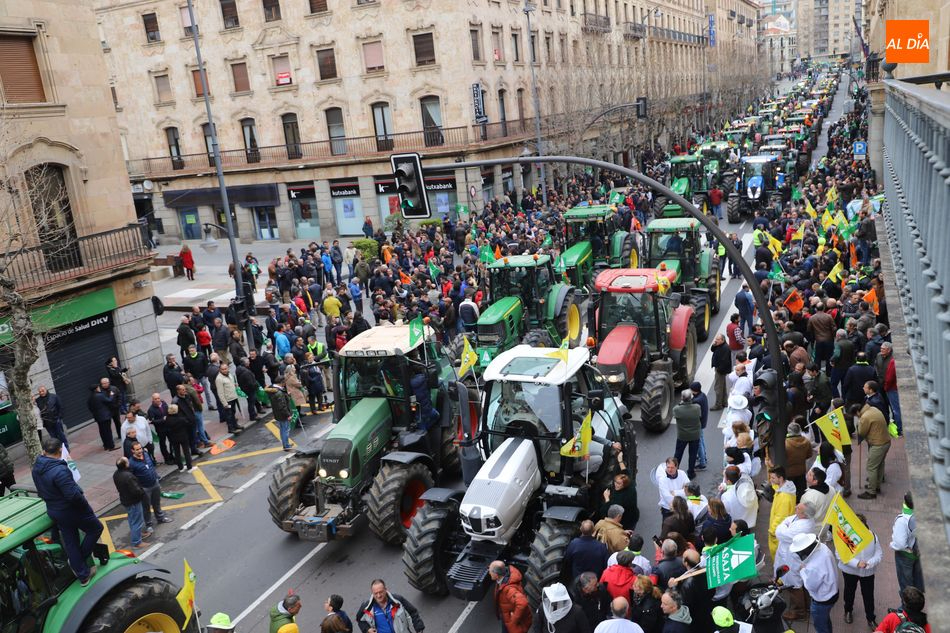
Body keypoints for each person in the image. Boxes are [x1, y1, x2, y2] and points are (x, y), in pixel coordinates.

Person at [31, 437, 103, 585]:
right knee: (96, 528)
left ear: (44, 451)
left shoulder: (37, 467)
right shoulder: (59, 470)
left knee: (71, 541)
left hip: (54, 510)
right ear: (59, 451)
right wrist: (85, 505)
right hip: (71, 510)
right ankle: (78, 562)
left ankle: (83, 575)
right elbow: (73, 496)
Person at [838, 512, 881, 627]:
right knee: (849, 592)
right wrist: (857, 564)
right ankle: (848, 611)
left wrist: (870, 563)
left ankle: (871, 618)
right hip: (850, 571)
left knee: (868, 595)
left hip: (867, 571)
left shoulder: (872, 536)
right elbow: (840, 555)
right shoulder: (845, 536)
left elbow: (878, 553)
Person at [774, 501, 816, 620]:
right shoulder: (798, 518)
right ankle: (806, 605)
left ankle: (799, 612)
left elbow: (780, 533)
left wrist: (783, 526)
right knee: (794, 581)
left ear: (804, 515)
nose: (795, 507)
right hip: (787, 555)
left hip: (792, 558)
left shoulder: (804, 526)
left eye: (798, 508)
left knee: (794, 584)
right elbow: (787, 520)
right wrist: (784, 525)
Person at [791, 532, 839, 633]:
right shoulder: (823, 548)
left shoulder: (813, 567)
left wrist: (803, 570)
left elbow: (811, 586)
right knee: (825, 620)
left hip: (822, 599)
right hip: (833, 591)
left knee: (821, 626)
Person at [129, 441, 172, 528]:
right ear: (132, 451)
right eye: (137, 450)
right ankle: (149, 524)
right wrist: (139, 489)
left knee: (156, 503)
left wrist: (156, 478)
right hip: (144, 488)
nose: (140, 451)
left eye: (140, 448)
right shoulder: (131, 463)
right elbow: (132, 478)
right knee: (146, 507)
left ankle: (160, 518)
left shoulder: (146, 454)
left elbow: (152, 466)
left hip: (154, 483)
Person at [357, 578, 425, 633]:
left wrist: (419, 628)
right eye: (376, 593)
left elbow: (413, 612)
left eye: (381, 592)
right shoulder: (367, 607)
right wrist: (367, 629)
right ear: (372, 593)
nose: (379, 595)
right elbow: (359, 620)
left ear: (386, 590)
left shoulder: (398, 600)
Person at [853, 399, 890, 499]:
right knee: (880, 464)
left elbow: (861, 432)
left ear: (857, 412)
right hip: (885, 441)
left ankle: (871, 491)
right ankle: (876, 485)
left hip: (878, 444)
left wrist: (858, 424)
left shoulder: (865, 417)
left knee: (871, 467)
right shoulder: (872, 409)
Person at [891, 491, 924, 595]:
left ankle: (906, 608)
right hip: (919, 553)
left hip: (906, 555)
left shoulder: (903, 520)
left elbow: (899, 544)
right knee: (917, 581)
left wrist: (907, 549)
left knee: (906, 586)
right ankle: (917, 603)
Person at [113, 456, 151, 548]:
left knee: (132, 519)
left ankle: (138, 534)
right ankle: (137, 542)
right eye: (127, 461)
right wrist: (143, 494)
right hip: (133, 501)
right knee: (137, 521)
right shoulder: (128, 476)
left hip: (125, 500)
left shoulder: (116, 474)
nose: (129, 462)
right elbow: (136, 490)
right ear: (125, 465)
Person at [489, 560, 532, 633]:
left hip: (512, 623)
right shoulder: (503, 579)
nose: (489, 572)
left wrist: (513, 620)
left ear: (496, 575)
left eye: (490, 571)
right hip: (506, 616)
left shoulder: (509, 589)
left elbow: (522, 603)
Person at [766, 466, 797, 560]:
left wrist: (772, 530)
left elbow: (780, 516)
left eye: (773, 478)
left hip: (777, 532)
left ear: (781, 478)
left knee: (777, 556)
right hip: (782, 528)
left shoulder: (784, 497)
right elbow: (775, 486)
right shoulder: (785, 487)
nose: (771, 480)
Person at [672, 390, 701, 479]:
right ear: (691, 398)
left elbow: (675, 415)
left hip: (682, 435)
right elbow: (700, 416)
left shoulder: (677, 409)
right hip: (695, 435)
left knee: (678, 454)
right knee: (692, 455)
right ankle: (691, 472)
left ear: (682, 398)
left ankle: (674, 470)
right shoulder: (697, 407)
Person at [88, 378, 120, 451]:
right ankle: (111, 446)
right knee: (108, 431)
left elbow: (90, 407)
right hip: (105, 416)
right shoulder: (99, 395)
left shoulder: (90, 398)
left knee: (102, 431)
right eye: (98, 387)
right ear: (96, 389)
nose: (100, 388)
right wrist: (111, 395)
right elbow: (109, 400)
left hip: (98, 417)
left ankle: (106, 445)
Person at [784, 421, 813, 498]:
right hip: (801, 471)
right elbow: (809, 455)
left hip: (789, 473)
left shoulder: (785, 444)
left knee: (790, 494)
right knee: (802, 493)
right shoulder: (806, 442)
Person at [216, 363, 245, 434]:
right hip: (228, 400)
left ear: (228, 368)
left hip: (233, 397)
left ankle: (235, 425)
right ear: (220, 370)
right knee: (229, 415)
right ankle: (231, 428)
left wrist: (235, 385)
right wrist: (224, 403)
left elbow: (232, 384)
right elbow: (220, 393)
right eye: (223, 369)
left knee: (233, 412)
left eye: (226, 369)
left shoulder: (230, 375)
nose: (225, 370)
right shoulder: (219, 379)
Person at [268, 377, 295, 451]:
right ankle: (286, 445)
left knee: (282, 429)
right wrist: (288, 415)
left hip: (277, 413)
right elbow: (282, 406)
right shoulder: (279, 392)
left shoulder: (272, 389)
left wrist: (286, 395)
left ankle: (286, 444)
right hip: (282, 414)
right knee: (285, 429)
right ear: (282, 382)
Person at [164, 404, 194, 471]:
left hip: (173, 438)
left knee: (177, 453)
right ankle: (189, 466)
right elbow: (188, 425)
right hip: (183, 437)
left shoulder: (167, 419)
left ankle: (180, 467)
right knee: (186, 451)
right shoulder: (181, 419)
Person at [688, 382, 709, 470]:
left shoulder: (696, 401)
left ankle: (702, 462)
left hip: (698, 424)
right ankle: (704, 456)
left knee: (699, 442)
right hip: (702, 422)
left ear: (694, 391)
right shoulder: (703, 395)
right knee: (701, 439)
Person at [710, 334, 733, 410]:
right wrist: (714, 344)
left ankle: (718, 404)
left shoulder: (725, 348)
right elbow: (712, 350)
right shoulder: (719, 345)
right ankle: (724, 402)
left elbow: (725, 361)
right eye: (716, 339)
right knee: (722, 386)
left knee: (718, 387)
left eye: (718, 339)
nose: (716, 340)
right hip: (720, 369)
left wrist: (719, 370)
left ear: (722, 340)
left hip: (720, 370)